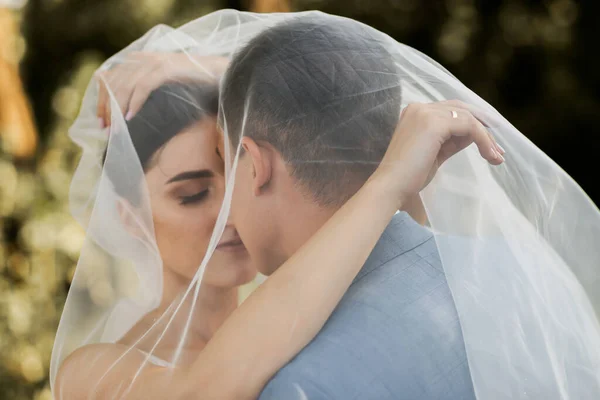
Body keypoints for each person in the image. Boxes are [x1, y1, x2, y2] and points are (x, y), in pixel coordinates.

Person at [53, 9, 600, 400]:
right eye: (193, 193)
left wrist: (235, 78)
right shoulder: (94, 372)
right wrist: (384, 182)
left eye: (234, 170)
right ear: (128, 216)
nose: (228, 210)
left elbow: (335, 124)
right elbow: (208, 388)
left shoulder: (319, 306)